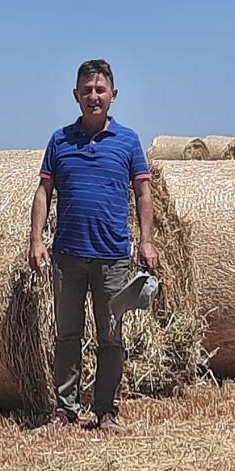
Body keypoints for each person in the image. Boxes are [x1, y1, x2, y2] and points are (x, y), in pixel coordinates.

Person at [29, 58, 158, 432]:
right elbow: (44, 191)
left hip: (114, 256)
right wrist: (36, 239)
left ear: (113, 95)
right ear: (76, 95)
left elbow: (144, 193)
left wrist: (146, 241)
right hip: (67, 254)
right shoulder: (60, 140)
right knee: (67, 335)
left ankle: (106, 411)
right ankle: (65, 410)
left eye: (100, 90)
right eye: (87, 90)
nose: (93, 96)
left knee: (110, 337)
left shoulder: (128, 141)